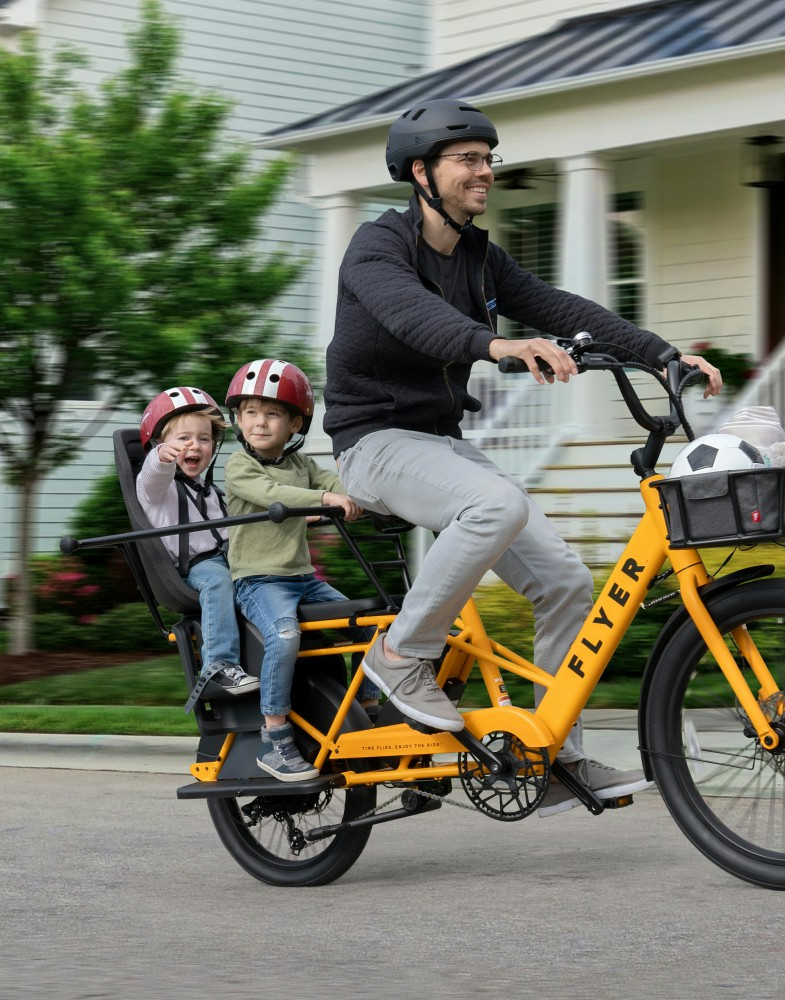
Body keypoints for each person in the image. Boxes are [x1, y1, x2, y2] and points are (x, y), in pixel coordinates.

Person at [326, 98, 723, 817]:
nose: (485, 172)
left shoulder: (480, 258)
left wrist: (661, 354)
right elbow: (413, 317)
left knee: (568, 581)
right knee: (496, 506)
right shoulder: (376, 247)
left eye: (489, 159)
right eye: (468, 160)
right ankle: (399, 656)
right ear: (420, 172)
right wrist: (496, 344)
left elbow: (559, 306)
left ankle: (548, 753)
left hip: (441, 442)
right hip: (371, 442)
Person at [224, 358, 376, 782]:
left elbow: (331, 483)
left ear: (294, 424)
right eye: (250, 412)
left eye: (272, 413)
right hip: (258, 581)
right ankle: (275, 737)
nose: (259, 422)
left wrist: (357, 497)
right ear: (238, 419)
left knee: (371, 626)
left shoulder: (302, 465)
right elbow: (271, 492)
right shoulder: (239, 465)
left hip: (302, 580)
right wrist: (325, 502)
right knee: (284, 636)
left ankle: (366, 710)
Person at [135, 386, 254, 714]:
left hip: (229, 559)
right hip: (194, 568)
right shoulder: (156, 492)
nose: (194, 445)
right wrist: (161, 456)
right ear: (162, 443)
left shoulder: (213, 492)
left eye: (204, 439)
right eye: (182, 438)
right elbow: (151, 476)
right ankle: (218, 667)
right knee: (219, 581)